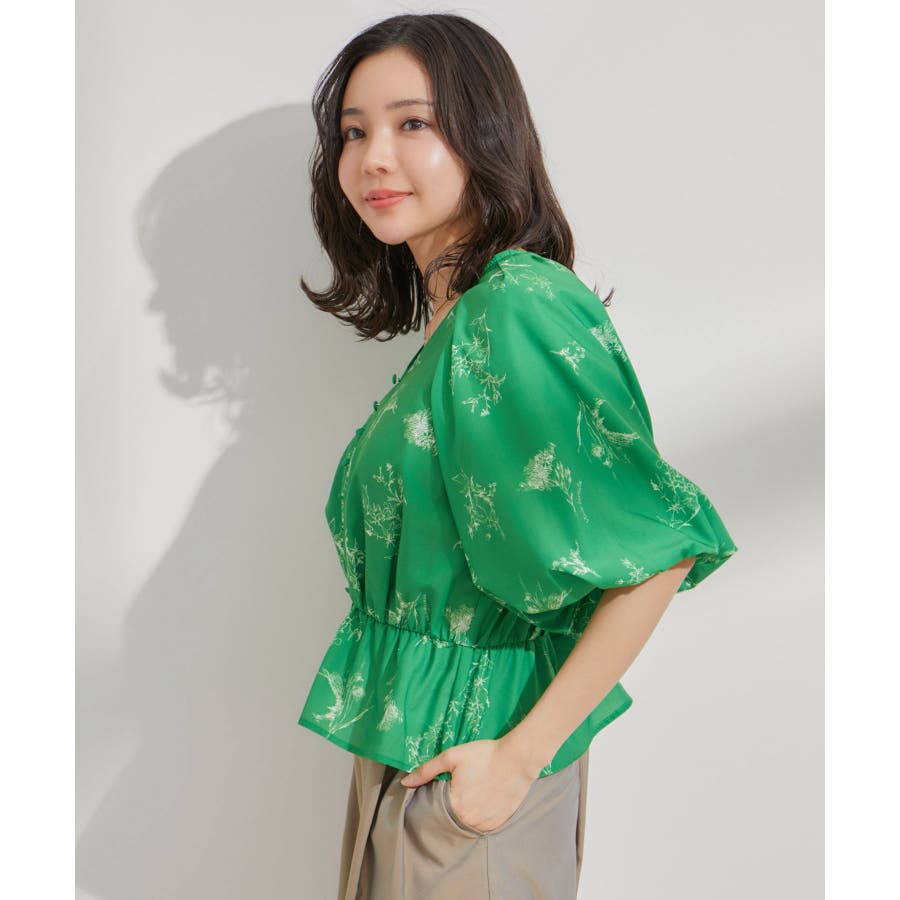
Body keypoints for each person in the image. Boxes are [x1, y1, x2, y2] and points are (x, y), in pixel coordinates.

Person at [297, 12, 738, 900]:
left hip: (472, 777)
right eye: (354, 132)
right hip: (411, 757)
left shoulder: (516, 307)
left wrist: (516, 760)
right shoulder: (459, 317)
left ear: (485, 134)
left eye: (413, 123)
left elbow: (658, 546)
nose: (375, 158)